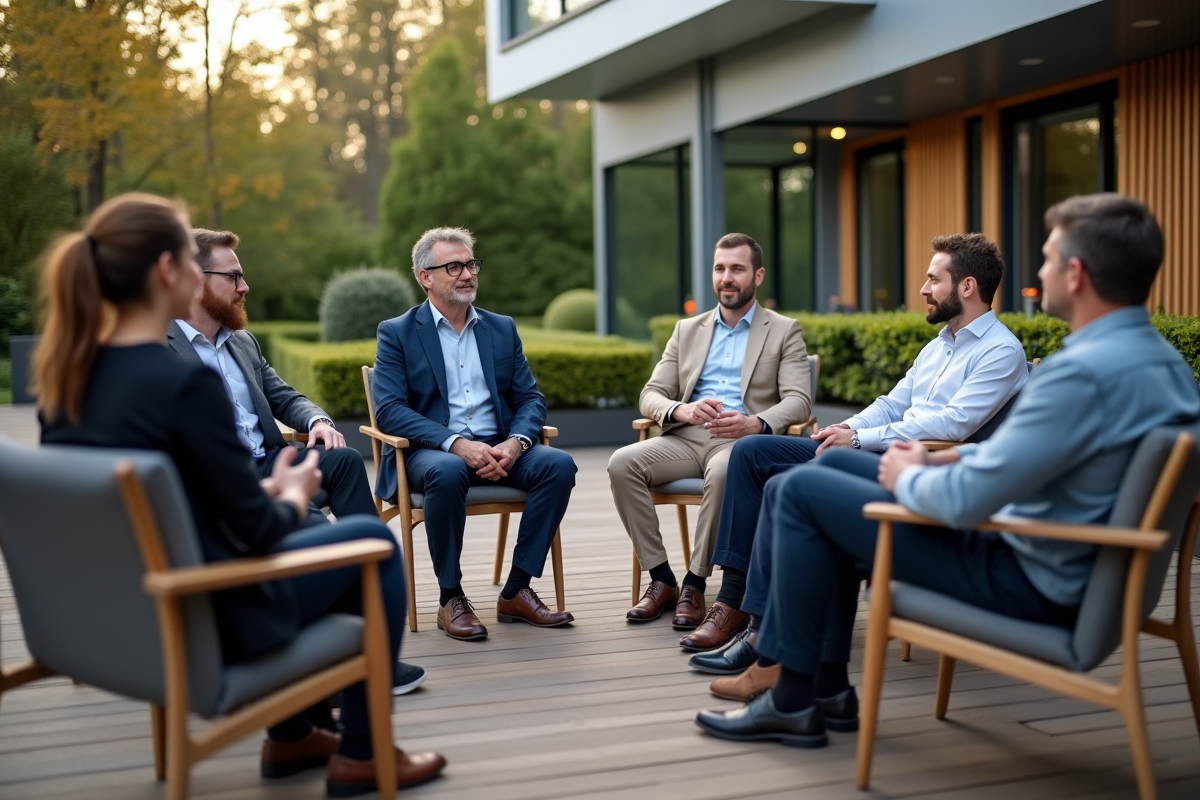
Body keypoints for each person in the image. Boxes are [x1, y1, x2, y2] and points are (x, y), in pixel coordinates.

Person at [695, 193, 1200, 750]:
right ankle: (828, 688)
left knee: (801, 492)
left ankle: (791, 696)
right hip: (1069, 562)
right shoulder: (1160, 366)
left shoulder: (1079, 372)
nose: (1038, 272)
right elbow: (1035, 460)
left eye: (1048, 259)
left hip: (1028, 573)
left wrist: (909, 476)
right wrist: (955, 456)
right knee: (822, 471)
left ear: (1076, 274)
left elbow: (964, 502)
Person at [36, 193, 445, 794]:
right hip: (209, 615)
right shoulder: (181, 382)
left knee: (314, 531)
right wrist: (287, 491)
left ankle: (293, 733)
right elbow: (255, 529)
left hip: (119, 617)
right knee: (367, 547)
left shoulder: (67, 377)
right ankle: (361, 750)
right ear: (168, 273)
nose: (244, 285)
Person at [692, 233, 1028, 672]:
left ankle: (762, 629)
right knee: (752, 450)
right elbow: (892, 402)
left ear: (967, 287)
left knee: (801, 476)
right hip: (878, 451)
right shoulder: (938, 346)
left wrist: (859, 440)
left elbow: (952, 424)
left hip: (920, 469)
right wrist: (849, 427)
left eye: (933, 279)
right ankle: (734, 602)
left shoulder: (1001, 351)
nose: (924, 290)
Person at [168, 228, 424, 696]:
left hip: (267, 460)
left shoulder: (242, 343)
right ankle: (359, 636)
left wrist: (319, 420)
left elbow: (284, 396)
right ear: (194, 279)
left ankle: (362, 602)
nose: (245, 286)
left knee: (343, 459)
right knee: (319, 528)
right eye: (234, 276)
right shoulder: (160, 351)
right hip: (223, 484)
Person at [372, 227, 577, 641]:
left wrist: (517, 443)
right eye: (454, 267)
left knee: (558, 465)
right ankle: (451, 597)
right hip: (432, 451)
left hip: (501, 446)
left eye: (470, 264)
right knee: (448, 471)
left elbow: (530, 399)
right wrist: (457, 444)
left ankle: (517, 589)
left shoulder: (500, 328)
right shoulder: (397, 332)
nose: (467, 274)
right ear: (424, 276)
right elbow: (389, 411)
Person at [607, 232, 810, 641]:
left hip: (741, 442)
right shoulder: (687, 330)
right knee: (622, 463)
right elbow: (650, 394)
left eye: (737, 269)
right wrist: (680, 409)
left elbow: (800, 401)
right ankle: (662, 579)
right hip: (685, 437)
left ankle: (695, 584)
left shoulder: (784, 330)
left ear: (758, 275)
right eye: (720, 269)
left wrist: (755, 424)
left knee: (724, 473)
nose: (727, 278)